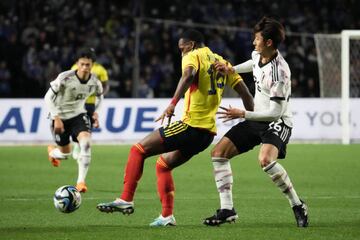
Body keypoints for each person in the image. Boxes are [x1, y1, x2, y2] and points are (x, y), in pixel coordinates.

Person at [96, 29, 254, 226]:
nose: (181, 53)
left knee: (137, 150)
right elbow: (246, 93)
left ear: (192, 44)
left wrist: (172, 103)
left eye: (182, 48)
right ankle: (167, 216)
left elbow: (188, 75)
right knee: (163, 165)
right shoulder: (223, 62)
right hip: (207, 134)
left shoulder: (193, 55)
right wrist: (253, 120)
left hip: (190, 126)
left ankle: (126, 199)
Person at [203, 17, 309, 227]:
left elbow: (274, 114)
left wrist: (243, 114)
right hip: (257, 117)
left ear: (269, 42)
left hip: (277, 121)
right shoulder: (258, 55)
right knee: (218, 154)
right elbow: (253, 64)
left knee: (266, 160)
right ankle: (227, 210)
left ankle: (297, 205)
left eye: (257, 39)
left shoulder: (280, 73)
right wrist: (232, 68)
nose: (254, 42)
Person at [44, 48, 103, 193]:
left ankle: (81, 182)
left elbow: (100, 97)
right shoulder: (65, 77)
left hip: (78, 115)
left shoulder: (95, 82)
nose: (84, 68)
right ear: (77, 63)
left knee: (86, 143)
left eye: (87, 65)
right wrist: (56, 118)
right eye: (81, 64)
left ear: (92, 65)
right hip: (60, 117)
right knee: (65, 154)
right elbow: (47, 98)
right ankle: (52, 152)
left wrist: (96, 112)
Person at [70, 50, 110, 159]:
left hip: (90, 102)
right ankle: (76, 145)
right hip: (78, 102)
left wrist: (101, 94)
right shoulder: (75, 67)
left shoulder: (100, 69)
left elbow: (106, 85)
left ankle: (84, 147)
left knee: (88, 126)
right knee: (76, 125)